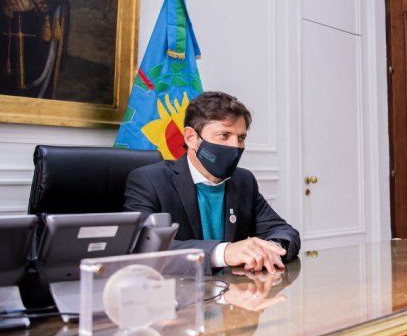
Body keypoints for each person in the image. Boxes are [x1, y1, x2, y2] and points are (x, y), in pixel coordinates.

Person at [124, 91, 300, 274]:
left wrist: (270, 249)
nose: (235, 146)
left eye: (241, 138)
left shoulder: (244, 181)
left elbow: (284, 231)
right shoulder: (149, 180)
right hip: (177, 293)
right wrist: (223, 253)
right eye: (224, 135)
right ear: (191, 138)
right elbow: (142, 246)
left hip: (236, 293)